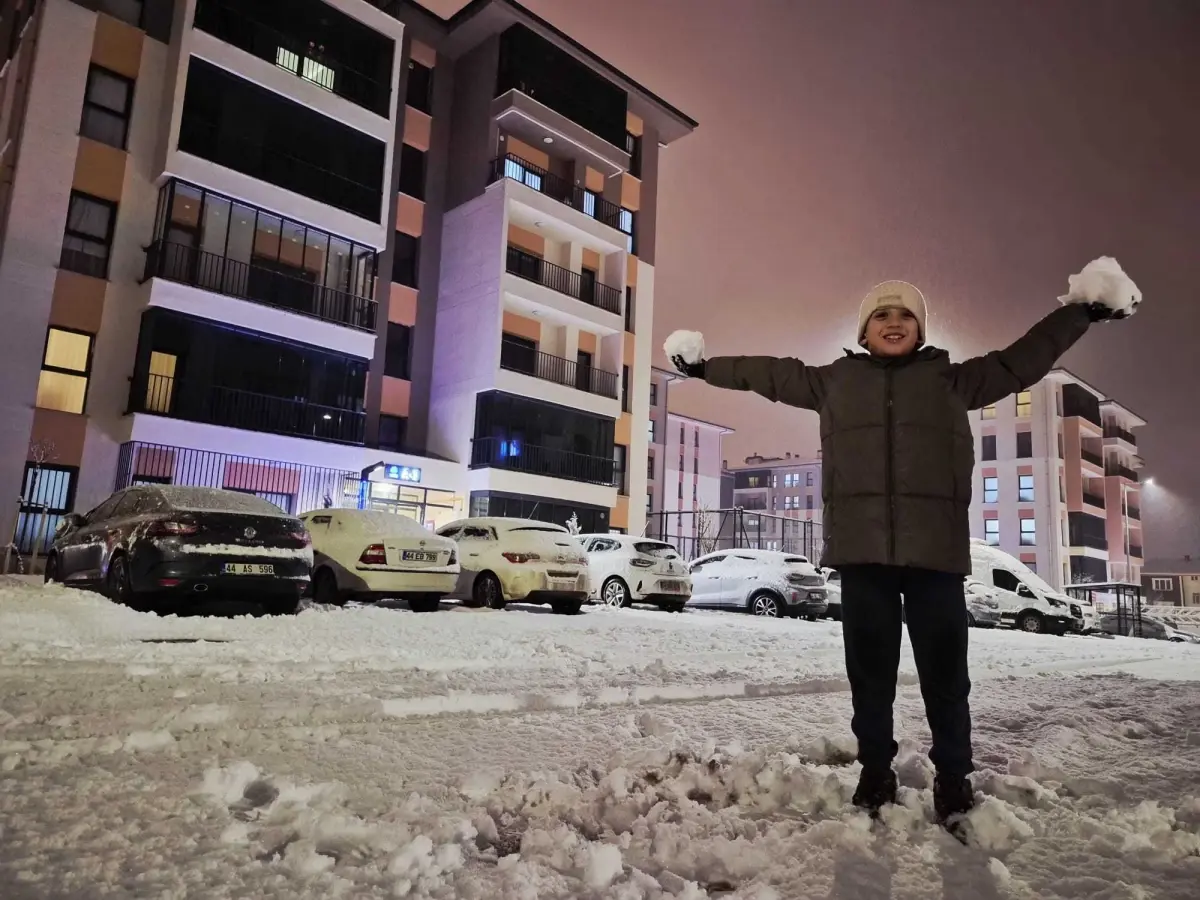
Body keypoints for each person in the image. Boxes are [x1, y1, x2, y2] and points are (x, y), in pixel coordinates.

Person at [666, 281, 1129, 827]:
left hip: (934, 556)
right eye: (881, 315)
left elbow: (1021, 361)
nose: (893, 322)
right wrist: (703, 368)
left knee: (946, 679)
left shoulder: (953, 380)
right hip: (864, 557)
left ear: (920, 329)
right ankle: (875, 772)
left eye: (905, 315)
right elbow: (768, 373)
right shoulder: (833, 382)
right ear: (863, 331)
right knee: (870, 678)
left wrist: (1080, 313)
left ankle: (954, 780)